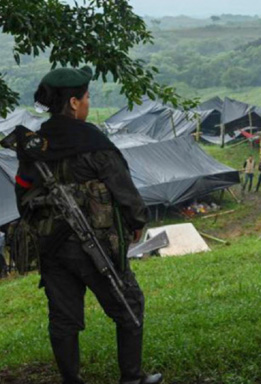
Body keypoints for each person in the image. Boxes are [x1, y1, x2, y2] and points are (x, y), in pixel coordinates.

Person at [12, 66, 162, 384]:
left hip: (52, 247)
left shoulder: (35, 146)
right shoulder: (93, 142)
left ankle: (71, 380)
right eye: (87, 97)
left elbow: (22, 193)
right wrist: (137, 222)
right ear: (75, 103)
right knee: (128, 303)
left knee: (63, 318)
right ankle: (132, 377)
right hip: (97, 246)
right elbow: (124, 188)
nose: (88, 102)